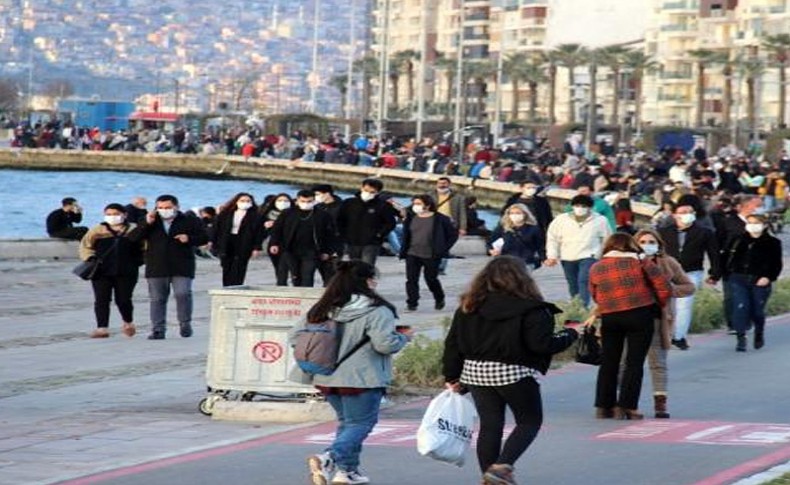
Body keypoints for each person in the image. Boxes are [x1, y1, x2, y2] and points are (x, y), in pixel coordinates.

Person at [442, 256, 579, 485]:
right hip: (514, 373)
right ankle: (501, 468)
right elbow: (541, 345)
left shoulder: (468, 306)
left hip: (475, 373)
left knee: (490, 425)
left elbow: (453, 343)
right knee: (529, 422)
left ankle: (488, 476)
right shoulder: (533, 309)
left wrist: (451, 375)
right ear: (523, 278)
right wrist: (571, 334)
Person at [304, 261, 411, 485]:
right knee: (362, 424)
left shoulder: (324, 307)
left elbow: (296, 337)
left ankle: (347, 472)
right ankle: (330, 458)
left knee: (347, 424)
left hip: (326, 375)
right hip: (362, 377)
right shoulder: (377, 310)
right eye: (374, 277)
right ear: (365, 281)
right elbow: (385, 345)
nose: (376, 282)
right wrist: (403, 338)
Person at [589, 233, 672, 420]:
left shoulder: (597, 267)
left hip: (610, 316)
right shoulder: (641, 263)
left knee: (609, 362)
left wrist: (608, 303)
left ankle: (603, 406)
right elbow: (663, 286)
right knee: (634, 363)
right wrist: (656, 303)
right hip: (640, 314)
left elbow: (594, 292)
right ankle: (627, 406)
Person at [633, 229, 696, 418]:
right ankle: (625, 401)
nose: (647, 244)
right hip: (632, 318)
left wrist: (670, 290)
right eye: (642, 241)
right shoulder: (629, 262)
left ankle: (660, 403)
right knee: (627, 362)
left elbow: (689, 287)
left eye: (651, 241)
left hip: (658, 319)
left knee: (658, 363)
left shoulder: (669, 263)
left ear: (659, 245)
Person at [129, 194, 208, 340]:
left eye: (168, 207)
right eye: (160, 208)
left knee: (183, 293)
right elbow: (133, 238)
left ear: (176, 207)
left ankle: (185, 323)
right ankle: (158, 329)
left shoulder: (189, 220)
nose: (164, 210)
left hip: (182, 265)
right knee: (157, 298)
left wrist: (189, 238)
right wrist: (146, 223)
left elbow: (205, 237)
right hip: (156, 266)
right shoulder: (150, 220)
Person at [658, 203, 721, 350]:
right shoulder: (663, 232)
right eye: (683, 212)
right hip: (666, 273)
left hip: (691, 273)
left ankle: (679, 336)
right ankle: (665, 334)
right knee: (666, 305)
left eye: (690, 211)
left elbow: (713, 253)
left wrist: (714, 274)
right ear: (674, 215)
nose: (687, 214)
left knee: (684, 305)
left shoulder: (704, 232)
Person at [78, 203, 144, 338]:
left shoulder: (134, 229)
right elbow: (85, 246)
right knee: (101, 299)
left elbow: (145, 246)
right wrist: (90, 258)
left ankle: (128, 322)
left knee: (124, 299)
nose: (112, 217)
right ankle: (102, 328)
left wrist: (139, 261)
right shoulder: (97, 230)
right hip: (101, 270)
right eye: (108, 214)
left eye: (115, 214)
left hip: (127, 271)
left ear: (124, 214)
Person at [724, 214, 782, 351]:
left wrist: (768, 277)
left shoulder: (773, 243)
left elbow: (776, 264)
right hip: (738, 278)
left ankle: (759, 332)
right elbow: (726, 257)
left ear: (764, 225)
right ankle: (740, 336)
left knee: (757, 311)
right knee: (740, 306)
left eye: (756, 223)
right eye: (749, 223)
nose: (752, 226)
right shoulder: (738, 240)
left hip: (760, 280)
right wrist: (725, 274)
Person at [545, 194, 612, 307]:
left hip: (590, 256)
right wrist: (552, 255)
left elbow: (607, 239)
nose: (580, 208)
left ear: (590, 207)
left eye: (583, 206)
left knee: (584, 280)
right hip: (567, 256)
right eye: (577, 205)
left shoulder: (600, 220)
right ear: (572, 206)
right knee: (573, 284)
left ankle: (583, 307)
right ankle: (575, 307)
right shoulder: (561, 219)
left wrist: (604, 256)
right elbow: (552, 238)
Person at [399, 194, 458, 312]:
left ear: (427, 205)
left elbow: (452, 235)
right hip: (412, 253)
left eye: (418, 204)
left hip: (431, 254)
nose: (415, 206)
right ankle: (412, 302)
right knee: (411, 279)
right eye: (414, 203)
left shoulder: (440, 219)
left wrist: (443, 249)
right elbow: (407, 235)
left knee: (431, 279)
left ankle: (439, 298)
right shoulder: (411, 218)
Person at [269, 190, 336, 287]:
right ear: (297, 200)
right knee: (295, 276)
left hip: (312, 251)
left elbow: (329, 235)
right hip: (290, 249)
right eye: (303, 201)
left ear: (314, 201)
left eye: (309, 201)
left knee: (308, 275)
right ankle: (297, 296)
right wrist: (274, 243)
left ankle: (306, 296)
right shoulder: (287, 213)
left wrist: (327, 251)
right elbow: (277, 229)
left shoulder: (322, 215)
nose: (306, 204)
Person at [337, 178, 397, 267]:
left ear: (377, 192)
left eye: (372, 192)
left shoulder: (383, 205)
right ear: (361, 188)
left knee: (366, 267)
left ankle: (366, 280)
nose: (368, 193)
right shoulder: (349, 203)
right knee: (353, 268)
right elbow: (339, 219)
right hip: (351, 241)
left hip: (371, 243)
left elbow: (390, 223)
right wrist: (343, 234)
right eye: (366, 190)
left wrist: (379, 234)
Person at [213, 193, 264, 286]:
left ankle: (237, 285)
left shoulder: (256, 216)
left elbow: (259, 233)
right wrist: (213, 242)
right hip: (228, 241)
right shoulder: (225, 214)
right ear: (236, 202)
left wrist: (256, 248)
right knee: (226, 264)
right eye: (242, 201)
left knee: (240, 265)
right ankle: (227, 285)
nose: (245, 203)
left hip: (244, 242)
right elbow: (216, 228)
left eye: (248, 201)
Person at [488, 204, 544, 271]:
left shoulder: (534, 229)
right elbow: (490, 241)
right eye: (512, 213)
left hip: (526, 262)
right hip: (505, 261)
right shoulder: (502, 228)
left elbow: (540, 245)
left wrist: (544, 258)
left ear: (525, 214)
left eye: (518, 213)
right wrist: (491, 250)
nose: (514, 215)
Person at [313, 184, 344, 285]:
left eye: (318, 194)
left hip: (336, 242)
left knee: (332, 270)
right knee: (323, 269)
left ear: (327, 194)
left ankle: (331, 291)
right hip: (320, 242)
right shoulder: (317, 206)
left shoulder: (341, 206)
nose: (316, 197)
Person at [260, 193, 292, 283]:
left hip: (290, 244)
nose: (283, 203)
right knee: (278, 266)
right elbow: (260, 231)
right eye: (280, 201)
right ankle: (281, 284)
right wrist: (265, 226)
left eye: (286, 201)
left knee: (289, 266)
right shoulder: (267, 214)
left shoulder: (293, 213)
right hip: (273, 243)